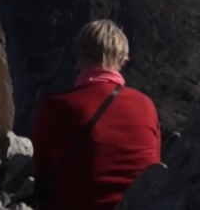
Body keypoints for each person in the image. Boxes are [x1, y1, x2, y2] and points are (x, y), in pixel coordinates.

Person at [32, 20, 161, 210]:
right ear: (123, 59)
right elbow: (154, 168)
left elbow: (42, 180)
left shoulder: (54, 107)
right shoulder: (146, 106)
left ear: (78, 56)